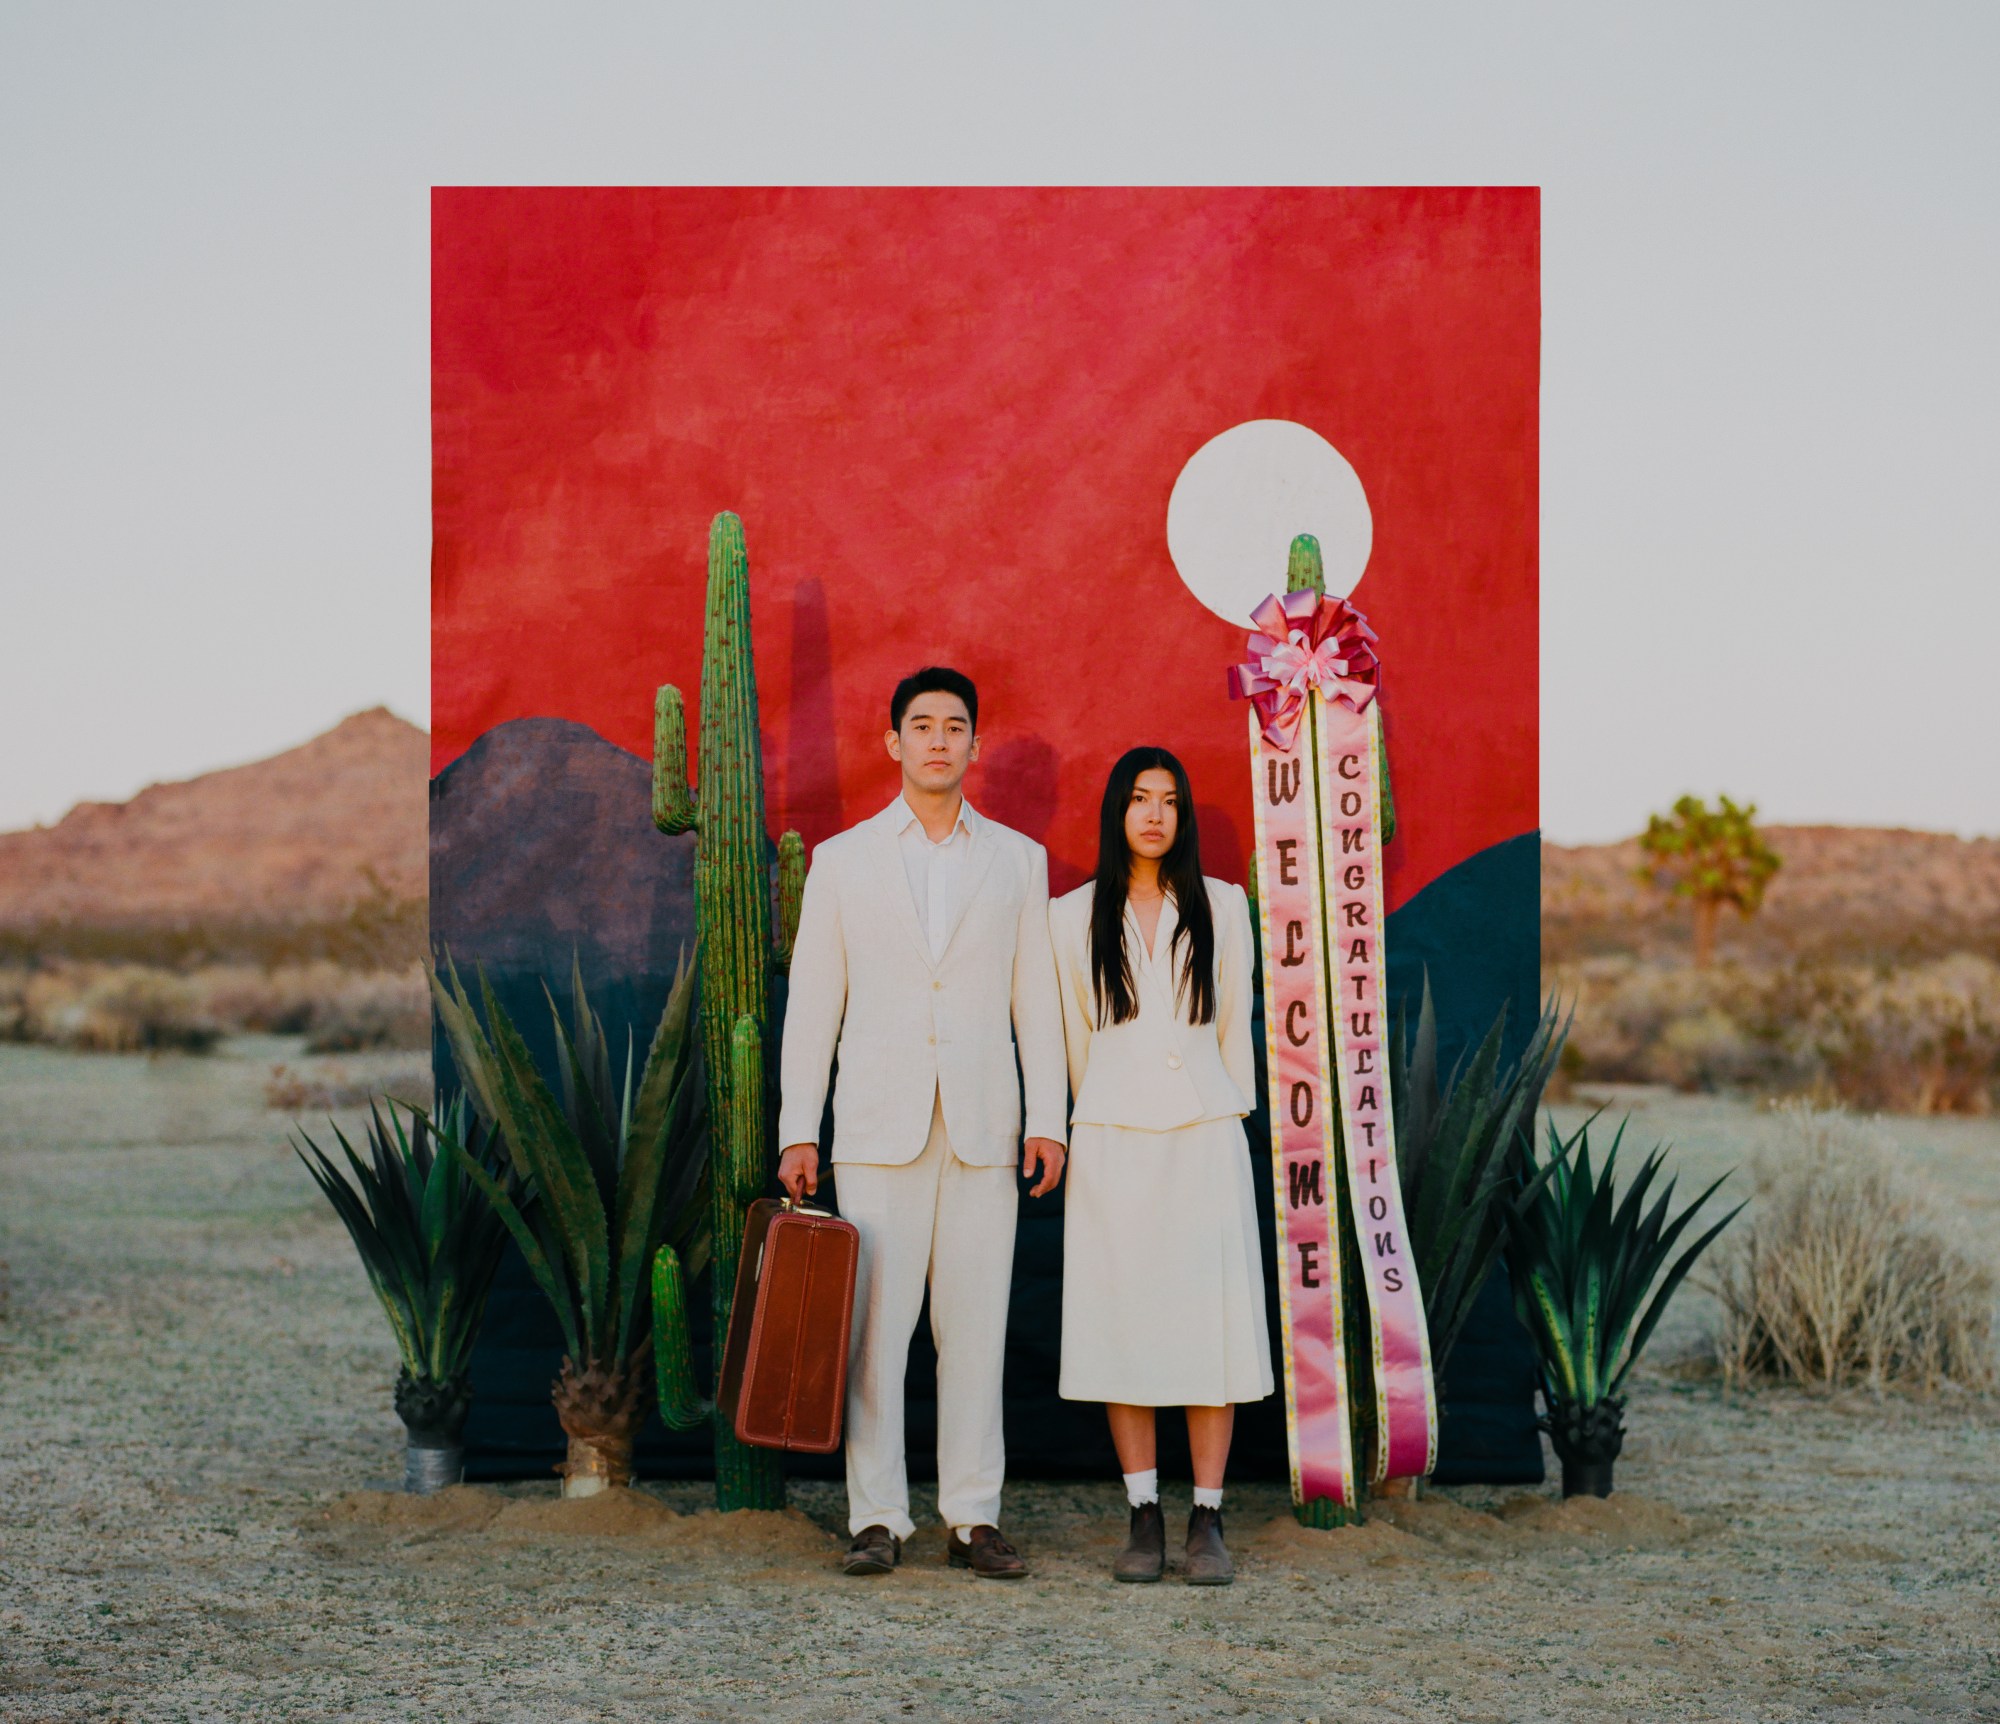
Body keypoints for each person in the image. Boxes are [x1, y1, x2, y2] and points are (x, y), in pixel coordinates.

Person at [777, 666, 1068, 1580]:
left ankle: (973, 1517)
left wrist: (1049, 1118)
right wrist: (800, 1129)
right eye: (922, 725)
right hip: (876, 1127)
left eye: (955, 726)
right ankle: (878, 1518)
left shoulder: (1017, 860)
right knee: (874, 1331)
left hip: (985, 1127)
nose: (939, 740)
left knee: (976, 1331)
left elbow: (1037, 1003)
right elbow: (813, 1006)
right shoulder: (843, 860)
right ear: (892, 741)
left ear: (976, 745)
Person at [1048, 746, 1273, 1585]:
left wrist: (1225, 1110)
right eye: (1140, 799)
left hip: (1205, 1135)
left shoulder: (1223, 904)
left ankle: (1207, 1517)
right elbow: (1075, 1037)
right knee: (1125, 1324)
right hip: (1113, 1135)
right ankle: (1142, 1511)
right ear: (1116, 812)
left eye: (1170, 801)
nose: (1154, 814)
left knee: (1210, 1327)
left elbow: (1234, 1024)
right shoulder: (1069, 916)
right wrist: (1093, 1112)